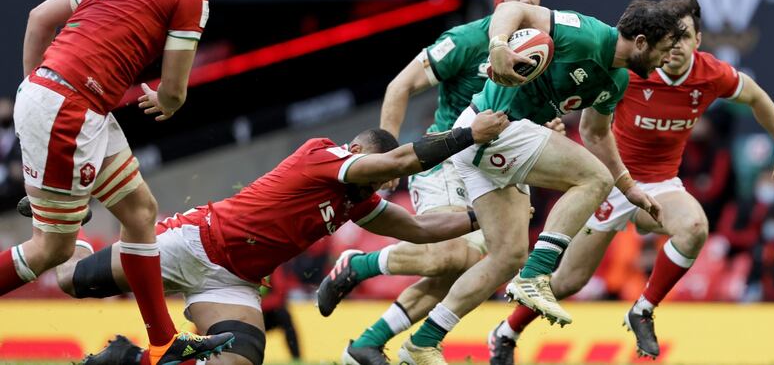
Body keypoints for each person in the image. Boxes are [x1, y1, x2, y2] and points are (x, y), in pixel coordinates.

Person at [50, 111, 509, 365]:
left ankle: (126, 359)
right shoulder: (323, 155)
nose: (375, 188)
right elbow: (393, 165)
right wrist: (468, 134)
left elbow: (423, 229)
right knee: (71, 280)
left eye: (377, 184)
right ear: (356, 150)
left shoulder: (358, 201)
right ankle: (60, 214)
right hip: (192, 244)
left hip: (232, 282)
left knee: (243, 359)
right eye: (372, 172)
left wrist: (484, 216)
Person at [486, 0, 774, 363]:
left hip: (660, 186)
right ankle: (506, 332)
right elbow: (590, 127)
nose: (676, 47)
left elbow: (758, 98)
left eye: (685, 37)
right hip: (610, 184)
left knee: (695, 226)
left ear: (698, 40)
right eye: (672, 38)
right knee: (569, 281)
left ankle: (643, 309)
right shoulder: (634, 69)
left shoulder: (711, 74)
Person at [393, 0, 686, 365]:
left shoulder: (618, 79)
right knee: (593, 179)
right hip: (489, 125)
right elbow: (512, 9)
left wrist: (628, 187)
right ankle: (536, 276)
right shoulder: (586, 35)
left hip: (494, 142)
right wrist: (499, 46)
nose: (663, 62)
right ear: (641, 42)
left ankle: (422, 343)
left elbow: (596, 135)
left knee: (506, 257)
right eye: (663, 50)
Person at [4, 0, 233, 363]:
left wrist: (37, 93)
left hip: (62, 99)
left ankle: (164, 342)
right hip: (71, 109)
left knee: (140, 211)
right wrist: (168, 103)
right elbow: (174, 88)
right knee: (52, 249)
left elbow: (37, 20)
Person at [315, 0, 564, 365]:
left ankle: (366, 345)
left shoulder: (549, 51)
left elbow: (532, 118)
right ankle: (358, 265)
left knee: (455, 271)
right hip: (449, 158)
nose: (526, 0)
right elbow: (400, 86)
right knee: (454, 257)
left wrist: (548, 132)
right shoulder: (469, 39)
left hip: (500, 169)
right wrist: (389, 157)